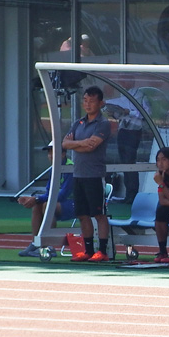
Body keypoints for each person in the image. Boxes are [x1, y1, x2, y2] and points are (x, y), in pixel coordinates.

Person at [62, 86, 112, 262]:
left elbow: (92, 146)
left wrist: (76, 144)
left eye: (92, 101)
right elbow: (64, 144)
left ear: (100, 103)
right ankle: (88, 251)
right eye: (85, 100)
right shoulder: (78, 123)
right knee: (82, 214)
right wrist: (82, 143)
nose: (88, 104)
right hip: (78, 175)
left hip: (95, 175)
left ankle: (102, 251)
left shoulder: (103, 123)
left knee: (99, 214)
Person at [17, 141, 75, 258]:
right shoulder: (53, 169)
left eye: (53, 152)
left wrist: (37, 198)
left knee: (47, 205)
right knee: (38, 206)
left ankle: (49, 246)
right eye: (49, 153)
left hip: (76, 204)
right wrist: (35, 200)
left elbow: (63, 195)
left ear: (63, 154)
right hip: (62, 203)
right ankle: (36, 244)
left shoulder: (70, 168)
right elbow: (49, 192)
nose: (50, 156)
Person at [106, 81, 152, 204]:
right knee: (124, 162)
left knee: (130, 161)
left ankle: (133, 194)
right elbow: (120, 114)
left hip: (134, 130)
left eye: (124, 80)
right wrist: (114, 113)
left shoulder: (140, 95)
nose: (123, 83)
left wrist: (129, 112)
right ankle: (128, 195)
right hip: (123, 129)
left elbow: (147, 113)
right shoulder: (123, 95)